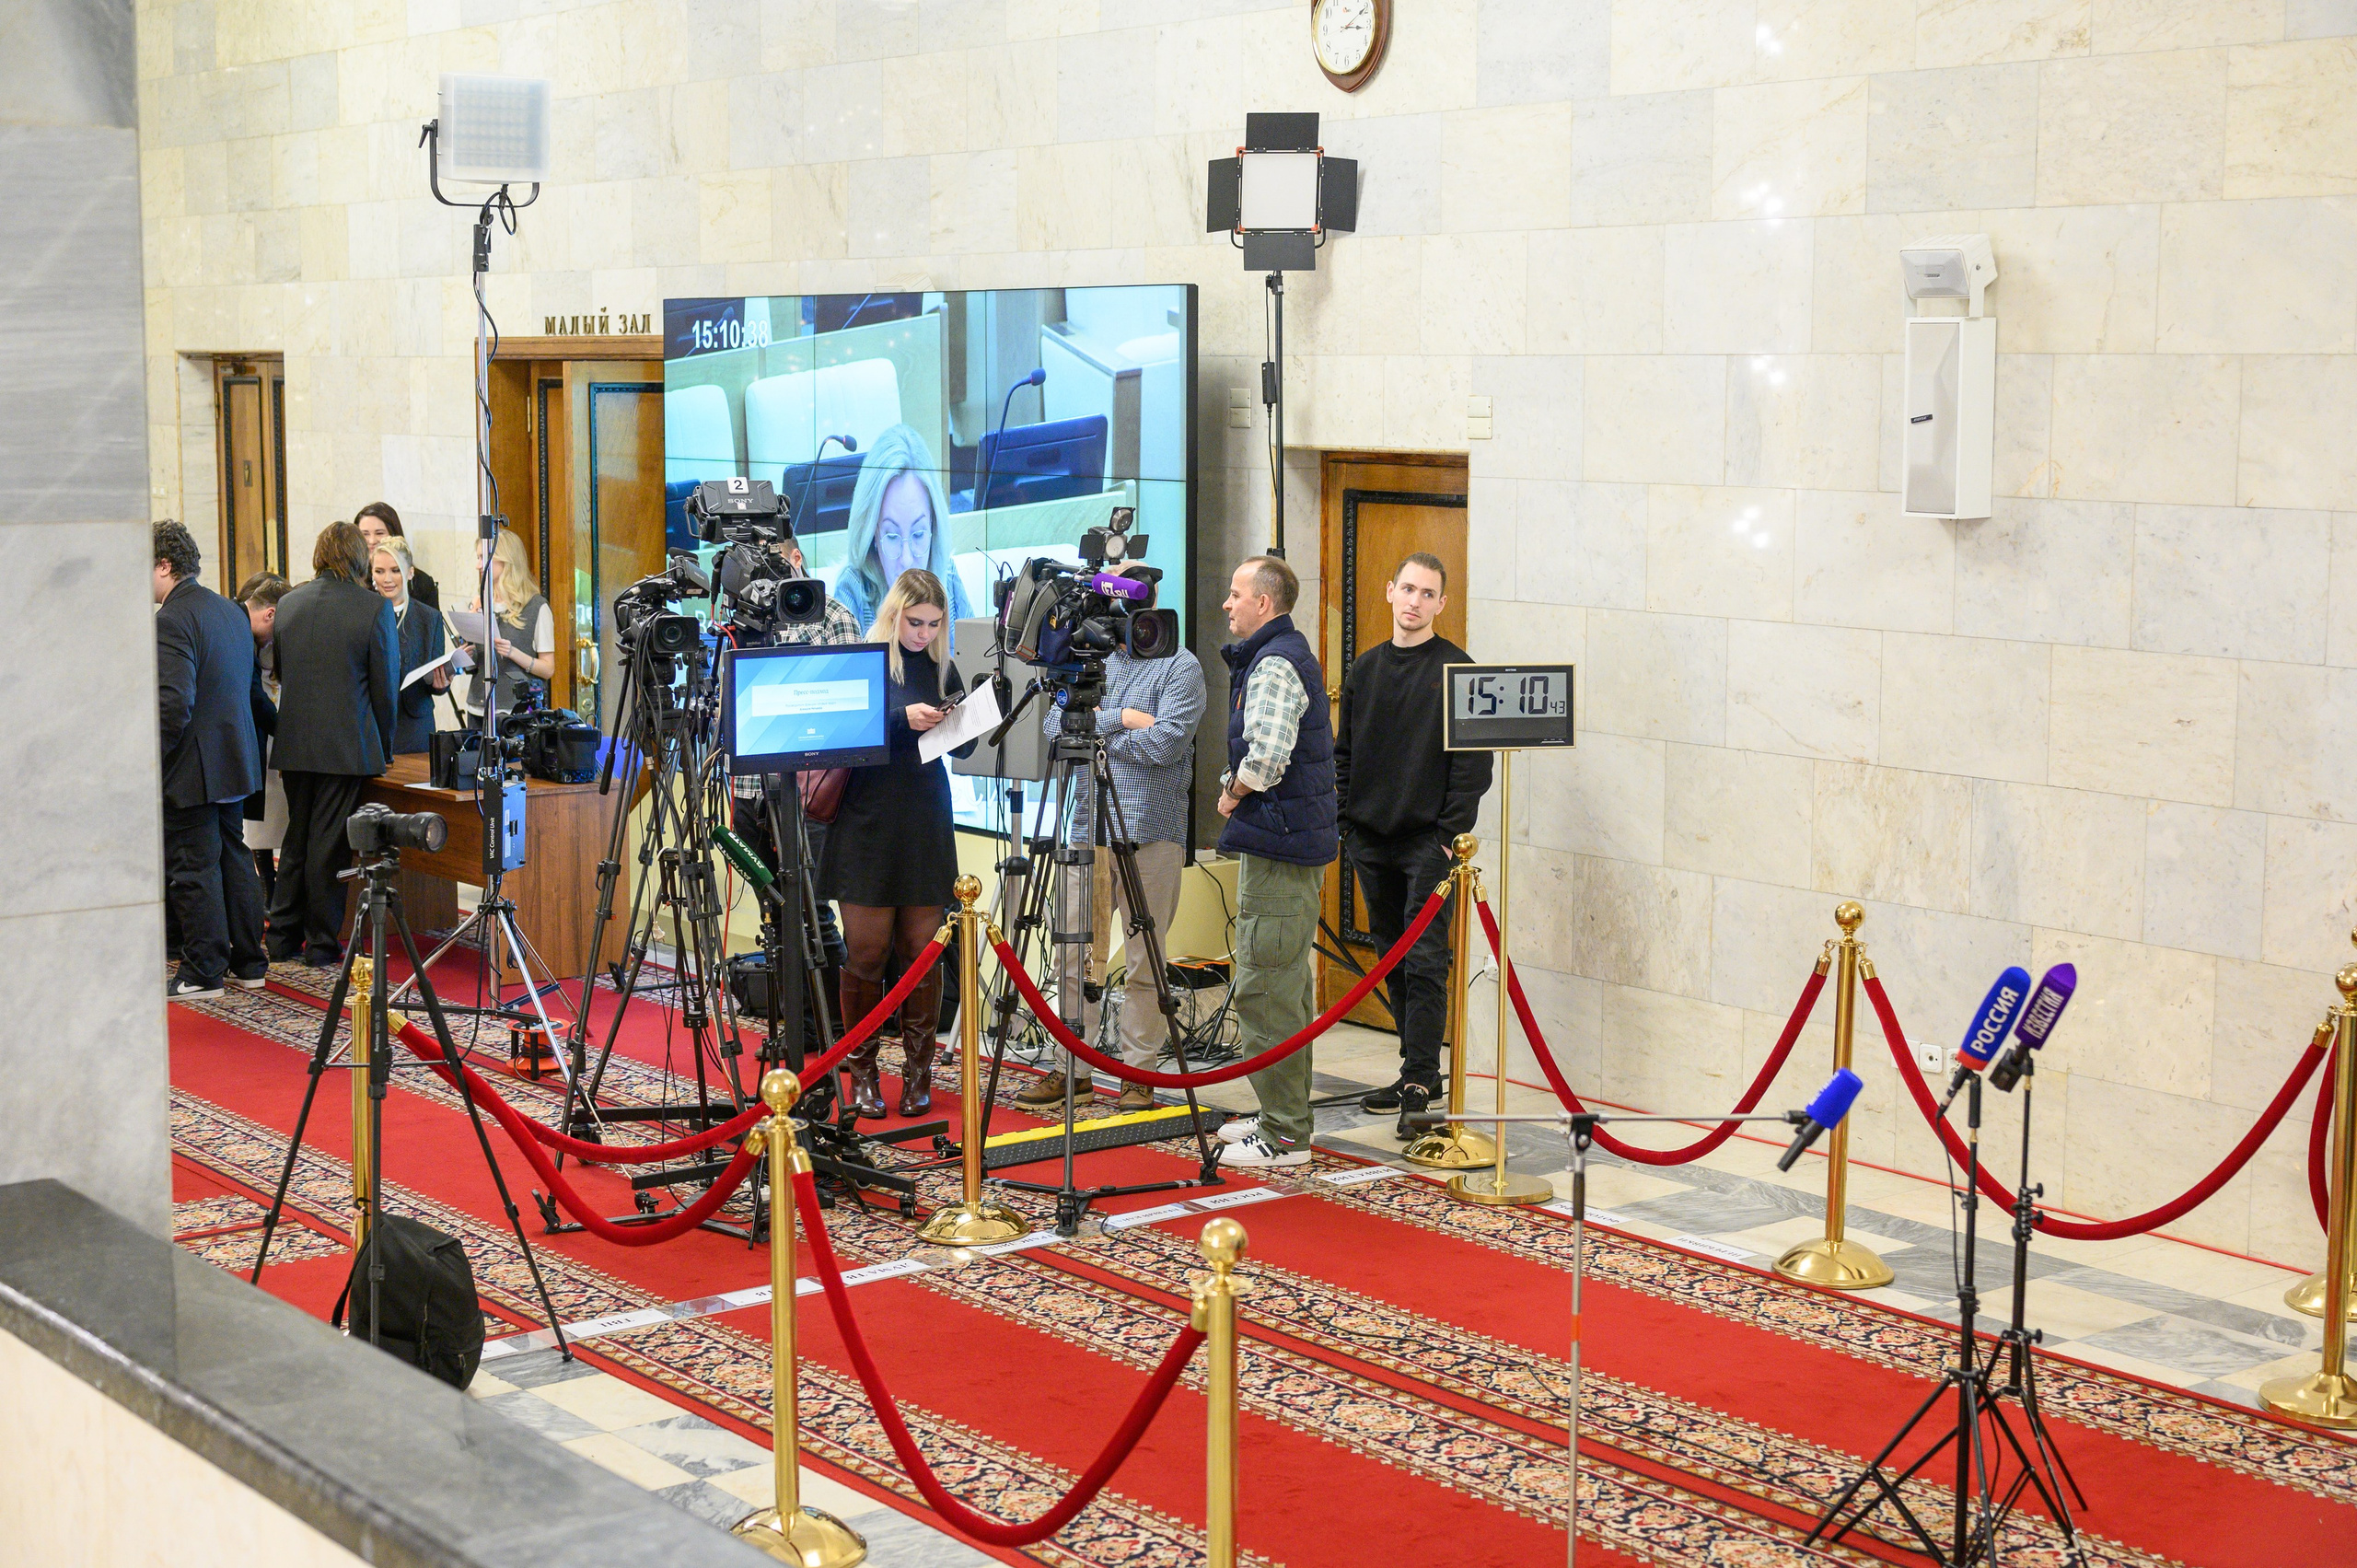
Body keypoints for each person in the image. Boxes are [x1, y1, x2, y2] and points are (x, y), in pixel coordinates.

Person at [1335, 552, 1492, 1135]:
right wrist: (1347, 822)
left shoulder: (1457, 670)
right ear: (1389, 591)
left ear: (1441, 604)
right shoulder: (1365, 669)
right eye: (1408, 589)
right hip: (1370, 840)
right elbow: (1344, 753)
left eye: (1428, 594)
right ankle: (1414, 1071)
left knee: (1425, 962)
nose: (1415, 601)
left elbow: (1473, 768)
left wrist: (1448, 838)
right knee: (1392, 959)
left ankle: (1421, 1084)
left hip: (1429, 845)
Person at [1021, 627, 1206, 1114]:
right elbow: (1056, 727)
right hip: (1087, 829)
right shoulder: (1090, 660)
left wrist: (1097, 729)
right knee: (1071, 956)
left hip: (1154, 831)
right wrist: (1125, 719)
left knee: (1146, 961)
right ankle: (1071, 1067)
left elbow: (1167, 744)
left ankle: (1137, 1075)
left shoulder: (1180, 665)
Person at [816, 569, 972, 1118]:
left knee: (921, 954)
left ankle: (918, 1071)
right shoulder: (867, 662)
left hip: (925, 819)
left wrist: (967, 721)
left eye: (934, 624)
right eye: (915, 622)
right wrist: (902, 718)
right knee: (865, 953)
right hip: (867, 820)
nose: (924, 633)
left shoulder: (942, 667)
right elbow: (841, 734)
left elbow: (963, 750)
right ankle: (862, 1072)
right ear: (893, 614)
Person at [1210, 554, 1337, 1169]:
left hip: (1280, 847)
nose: (1227, 604)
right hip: (1284, 842)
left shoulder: (1275, 664)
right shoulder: (1277, 655)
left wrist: (1232, 792)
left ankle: (1286, 1135)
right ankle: (1281, 1114)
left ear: (1264, 602)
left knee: (1266, 990)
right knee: (1283, 986)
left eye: (1236, 594)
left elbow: (1266, 759)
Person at [726, 537, 861, 1094]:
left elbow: (851, 702)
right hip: (747, 788)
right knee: (775, 914)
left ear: (795, 557)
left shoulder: (833, 616)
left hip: (806, 791)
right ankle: (797, 1030)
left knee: (812, 912)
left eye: (772, 557)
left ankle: (836, 1035)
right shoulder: (739, 618)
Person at [267, 523, 398, 967]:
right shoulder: (373, 608)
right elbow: (385, 689)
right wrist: (386, 746)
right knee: (327, 845)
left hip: (294, 742)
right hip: (344, 747)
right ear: (360, 558)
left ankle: (281, 937)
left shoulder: (289, 602)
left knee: (296, 838)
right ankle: (321, 943)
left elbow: (281, 671)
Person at [154, 521, 270, 1000]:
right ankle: (249, 962)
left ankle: (203, 971)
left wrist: (150, 762)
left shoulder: (170, 619)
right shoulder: (228, 610)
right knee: (234, 858)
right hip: (234, 757)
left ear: (164, 565)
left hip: (192, 764)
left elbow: (172, 703)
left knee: (194, 867)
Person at [830, 424, 974, 633]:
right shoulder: (853, 588)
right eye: (891, 536)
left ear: (933, 527)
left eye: (918, 534)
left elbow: (978, 652)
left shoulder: (948, 576)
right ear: (873, 533)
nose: (907, 560)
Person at [458, 527, 555, 717]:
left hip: (517, 713)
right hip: (478, 709)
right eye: (478, 558)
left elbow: (548, 669)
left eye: (483, 557)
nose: (478, 566)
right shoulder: (480, 602)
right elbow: (474, 665)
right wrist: (464, 649)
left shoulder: (536, 607)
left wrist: (513, 653)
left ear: (506, 560)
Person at [232, 572, 289, 900]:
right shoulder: (243, 635)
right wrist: (287, 732)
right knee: (252, 827)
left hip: (270, 720)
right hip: (258, 727)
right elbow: (254, 695)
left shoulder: (241, 625)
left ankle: (269, 894)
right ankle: (264, 892)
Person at [372, 536, 447, 753]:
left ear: (410, 573)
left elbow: (436, 676)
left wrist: (441, 684)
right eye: (379, 571)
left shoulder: (429, 618)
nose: (387, 579)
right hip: (373, 723)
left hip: (415, 724)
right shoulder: (363, 614)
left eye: (395, 570)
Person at [354, 501, 438, 609]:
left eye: (379, 533)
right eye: (365, 534)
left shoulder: (422, 583)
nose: (371, 541)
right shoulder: (352, 582)